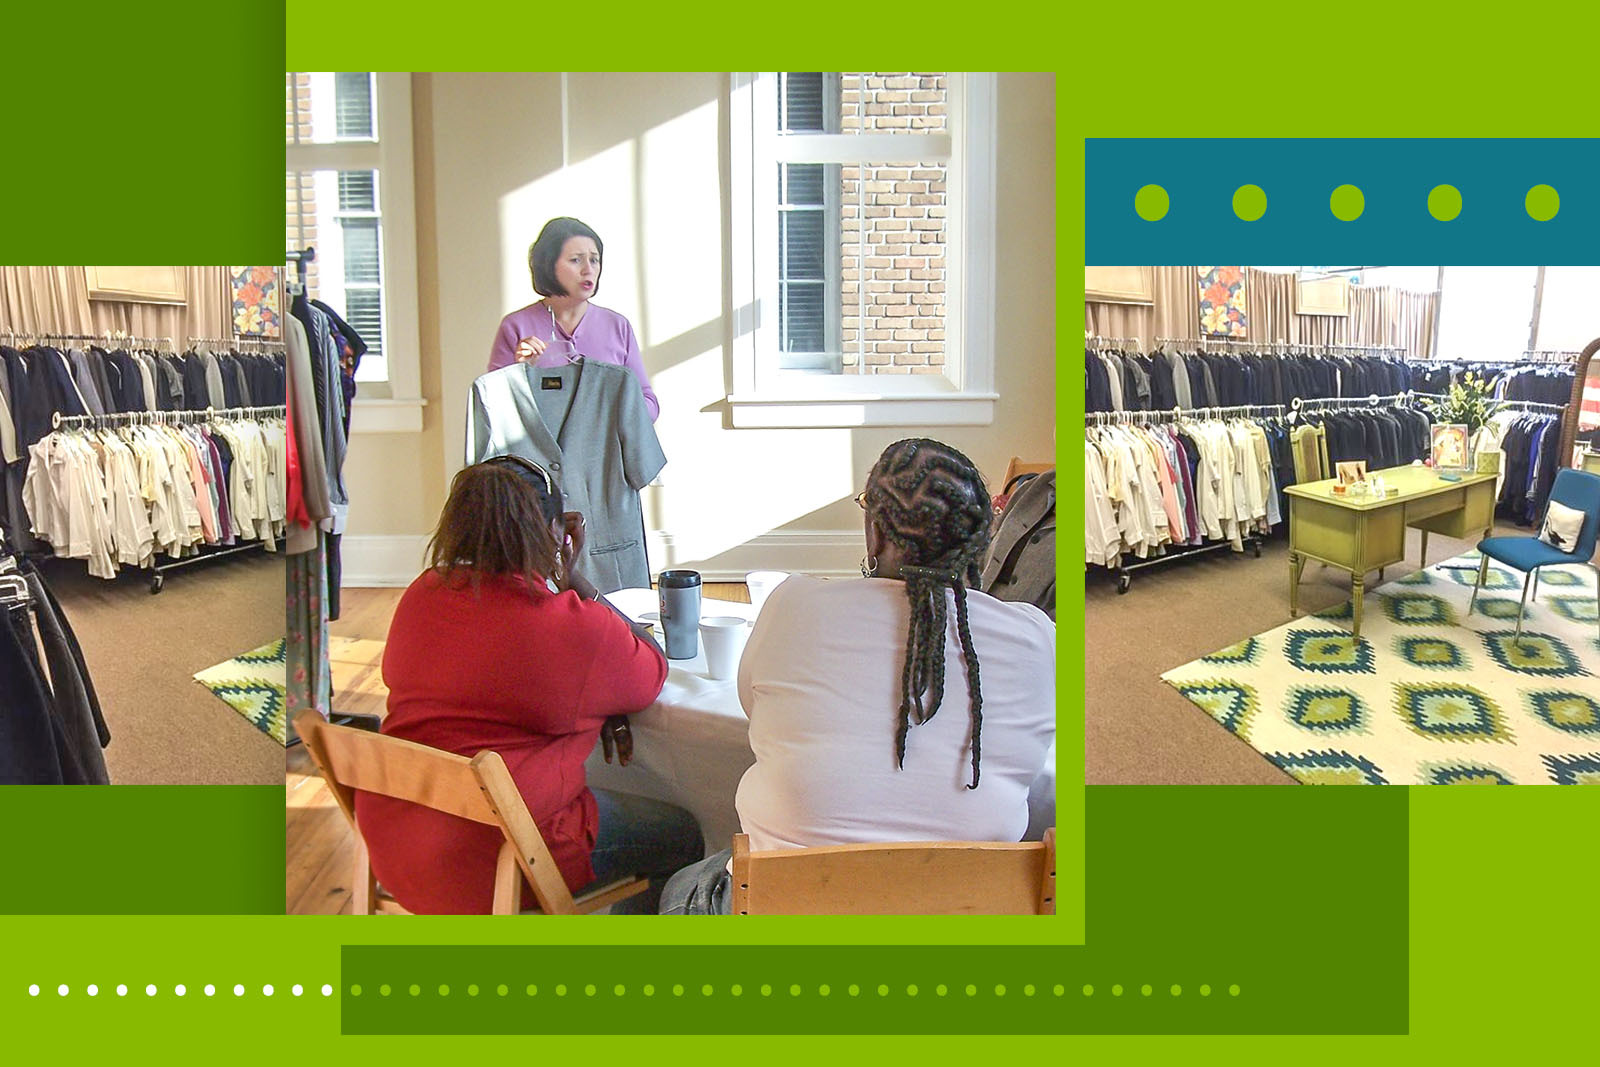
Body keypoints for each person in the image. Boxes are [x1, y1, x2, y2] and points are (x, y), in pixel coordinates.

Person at [659, 438, 1055, 914]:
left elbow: (752, 707)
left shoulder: (792, 605)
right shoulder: (1037, 639)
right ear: (983, 534)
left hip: (788, 917)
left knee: (683, 886)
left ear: (875, 534)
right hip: (960, 924)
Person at [353, 456, 701, 913]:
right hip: (494, 861)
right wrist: (573, 577)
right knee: (682, 836)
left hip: (397, 844)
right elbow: (651, 668)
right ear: (556, 532)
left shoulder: (421, 595)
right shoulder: (567, 626)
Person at [487, 216, 660, 421]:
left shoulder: (617, 326)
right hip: (538, 452)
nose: (588, 269)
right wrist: (521, 373)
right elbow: (493, 409)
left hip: (607, 451)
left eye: (594, 260)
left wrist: (618, 408)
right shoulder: (516, 327)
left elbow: (649, 404)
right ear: (548, 264)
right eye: (576, 260)